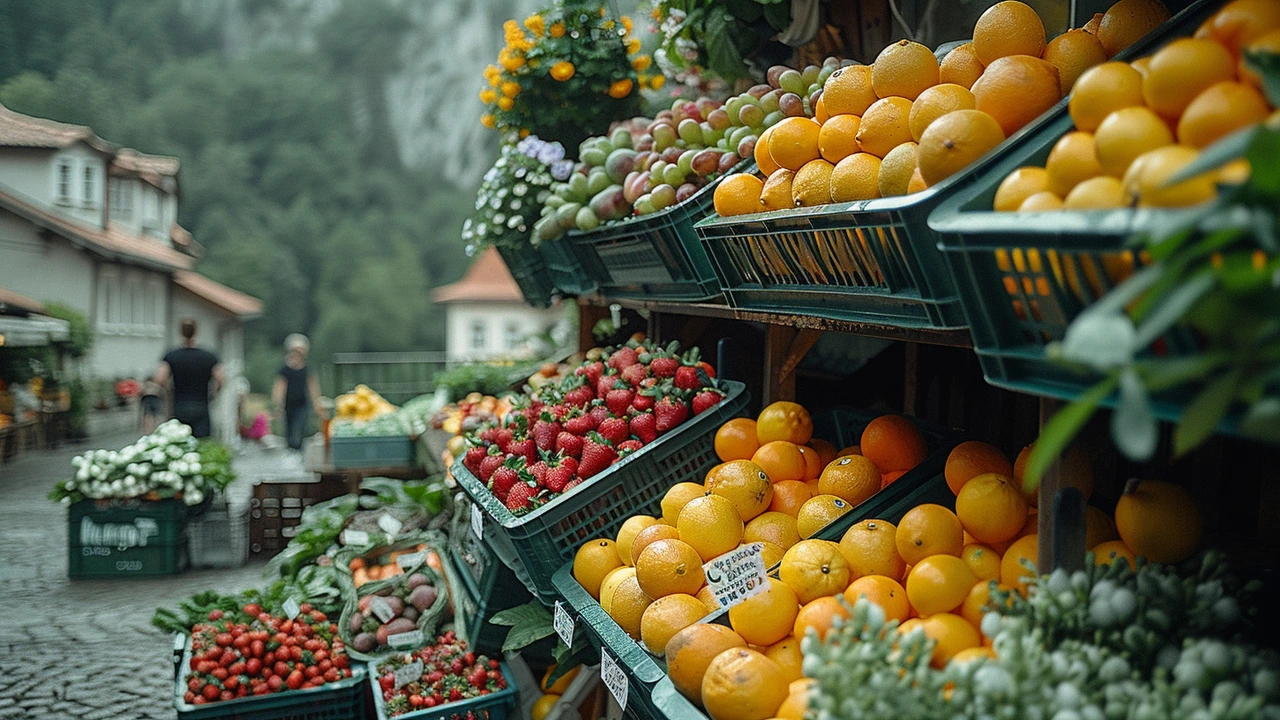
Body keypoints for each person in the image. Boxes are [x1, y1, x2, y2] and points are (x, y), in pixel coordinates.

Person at [154, 319, 223, 438]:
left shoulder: (172, 355)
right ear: (196, 332)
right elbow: (221, 380)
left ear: (181, 333)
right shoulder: (209, 356)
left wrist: (167, 392)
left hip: (179, 405)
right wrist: (213, 394)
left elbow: (160, 379)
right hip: (201, 404)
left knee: (181, 441)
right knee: (202, 442)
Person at [272, 334, 325, 452]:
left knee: (300, 425)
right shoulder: (284, 369)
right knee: (289, 428)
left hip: (302, 402)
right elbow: (280, 387)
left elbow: (313, 386)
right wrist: (278, 405)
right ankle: (290, 449)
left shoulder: (307, 368)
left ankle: (298, 448)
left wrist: (317, 403)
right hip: (288, 403)